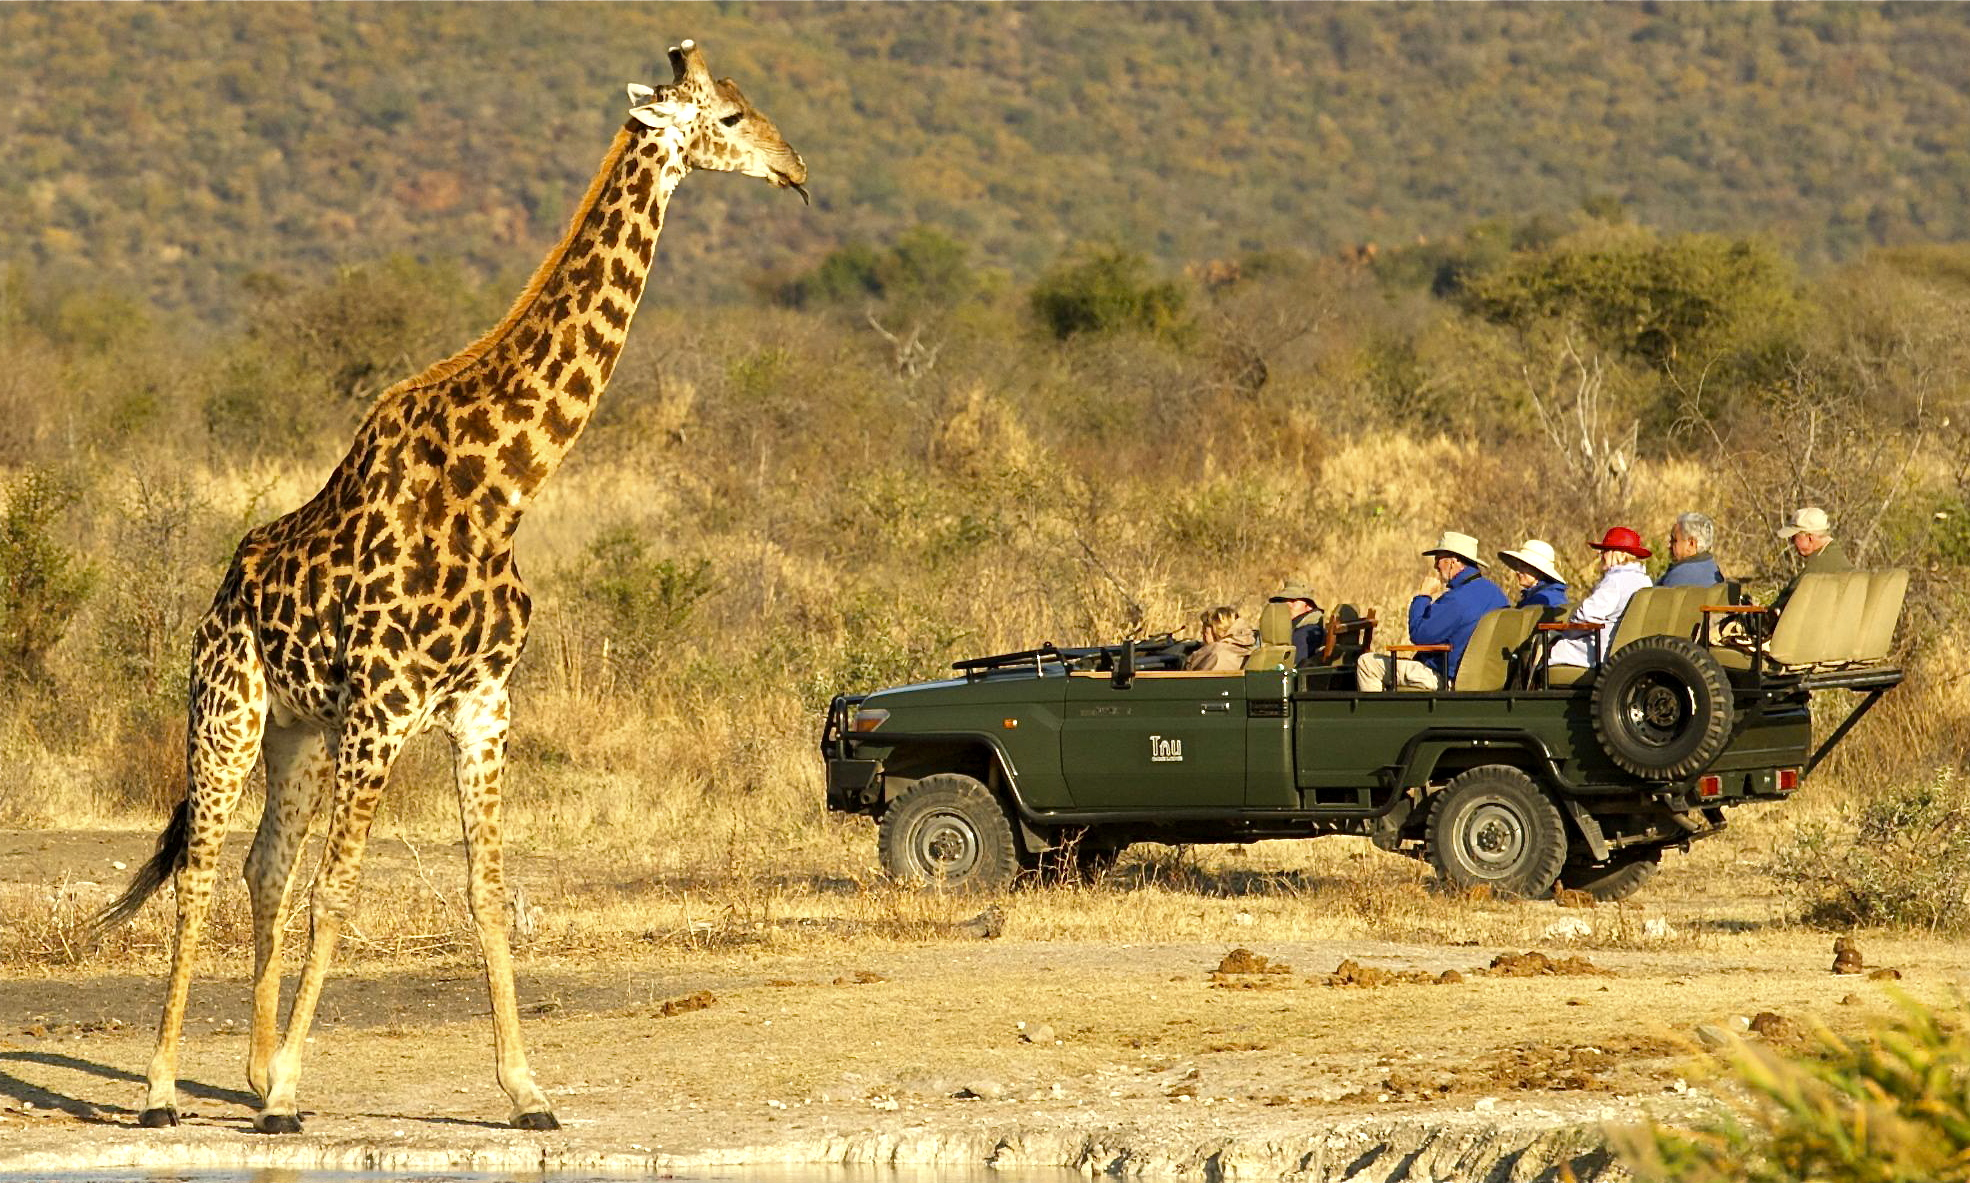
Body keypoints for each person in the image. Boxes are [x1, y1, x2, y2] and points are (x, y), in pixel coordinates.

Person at [1355, 531, 1508, 691]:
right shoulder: (1496, 593)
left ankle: (1375, 715)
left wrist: (1423, 596)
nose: (1436, 565)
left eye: (1439, 559)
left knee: (1367, 663)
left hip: (1445, 677)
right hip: (1482, 678)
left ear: (1453, 561)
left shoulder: (1456, 599)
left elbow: (1419, 635)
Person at [1546, 527, 1654, 669]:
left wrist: (1566, 634)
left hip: (1601, 651)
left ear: (1620, 554)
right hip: (1628, 651)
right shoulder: (1646, 581)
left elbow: (1586, 615)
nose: (1601, 555)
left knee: (1544, 649)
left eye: (1605, 551)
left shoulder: (1614, 581)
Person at [1771, 506, 1853, 612]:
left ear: (1810, 538)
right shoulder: (1838, 558)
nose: (1791, 542)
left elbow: (1784, 604)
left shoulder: (1813, 572)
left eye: (1794, 537)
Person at [1497, 538, 1568, 610]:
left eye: (1523, 566)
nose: (1518, 571)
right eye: (1517, 566)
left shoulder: (1544, 600)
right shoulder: (1538, 596)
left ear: (1539, 571)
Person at [1267, 581, 1325, 665]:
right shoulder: (1289, 630)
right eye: (1283, 601)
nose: (1287, 605)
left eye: (1293, 601)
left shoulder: (1304, 634)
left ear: (1309, 606)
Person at [1659, 512, 1724, 587]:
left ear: (1691, 544)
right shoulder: (1711, 567)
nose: (1669, 545)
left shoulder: (1679, 576)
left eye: (1674, 540)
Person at [1185, 606, 1255, 671]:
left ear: (1218, 631)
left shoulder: (1216, 654)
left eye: (1205, 632)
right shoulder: (1247, 651)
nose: (1203, 636)